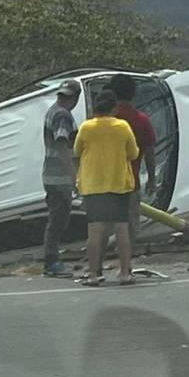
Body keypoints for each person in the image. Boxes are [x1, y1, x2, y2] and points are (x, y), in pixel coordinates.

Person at [74, 89, 139, 286]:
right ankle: (125, 273)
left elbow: (77, 151)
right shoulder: (122, 126)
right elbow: (134, 153)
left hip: (93, 185)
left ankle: (93, 274)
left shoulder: (86, 128)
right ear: (114, 107)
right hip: (118, 183)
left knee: (95, 231)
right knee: (121, 228)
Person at [41, 79, 82, 278]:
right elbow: (62, 145)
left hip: (51, 173)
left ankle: (52, 259)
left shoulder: (53, 111)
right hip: (59, 176)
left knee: (56, 218)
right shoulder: (62, 115)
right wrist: (73, 176)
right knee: (58, 220)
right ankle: (51, 262)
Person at [108, 74, 157, 242]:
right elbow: (150, 152)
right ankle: (126, 263)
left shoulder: (103, 120)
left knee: (105, 228)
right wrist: (151, 179)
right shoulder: (142, 120)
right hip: (131, 182)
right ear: (133, 93)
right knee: (129, 229)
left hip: (104, 182)